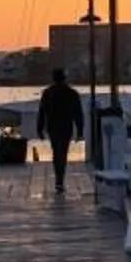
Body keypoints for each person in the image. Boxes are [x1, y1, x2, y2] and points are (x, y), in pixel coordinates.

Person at [36, 66, 86, 195]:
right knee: (63, 152)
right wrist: (80, 131)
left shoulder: (48, 93)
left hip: (53, 126)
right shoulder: (72, 93)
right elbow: (78, 114)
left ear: (53, 78)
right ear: (65, 78)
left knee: (56, 151)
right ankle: (60, 179)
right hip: (66, 126)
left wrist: (40, 128)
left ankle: (59, 179)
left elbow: (42, 112)